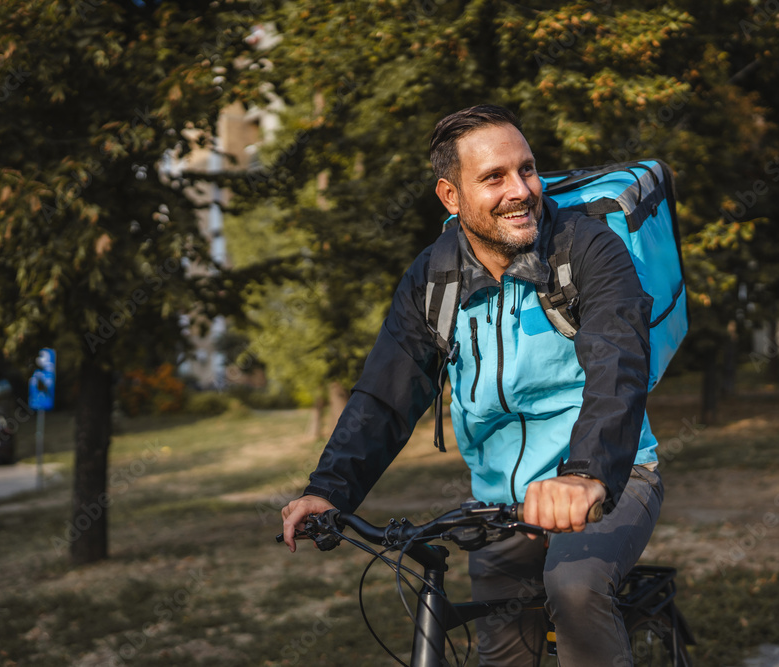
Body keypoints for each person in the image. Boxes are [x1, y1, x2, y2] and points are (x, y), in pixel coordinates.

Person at [281, 104, 664, 667]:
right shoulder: (433, 278)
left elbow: (618, 364)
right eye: (494, 177)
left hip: (608, 473)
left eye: (527, 169)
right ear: (451, 196)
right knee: (502, 652)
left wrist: (585, 476)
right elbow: (386, 395)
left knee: (575, 589)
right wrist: (329, 490)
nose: (521, 191)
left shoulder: (586, 249)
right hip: (497, 505)